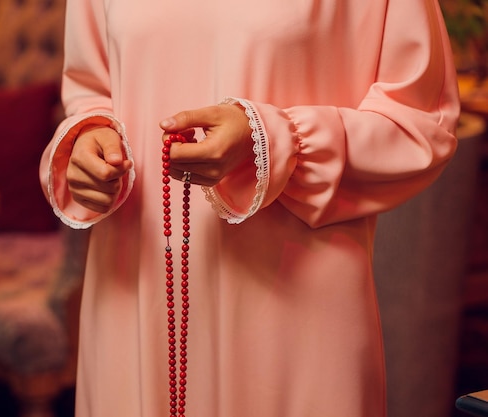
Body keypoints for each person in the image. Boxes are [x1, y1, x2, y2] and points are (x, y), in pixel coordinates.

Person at [39, 0, 460, 416]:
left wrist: (277, 141)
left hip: (292, 304)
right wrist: (89, 141)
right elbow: (93, 92)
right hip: (132, 293)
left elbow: (422, 124)